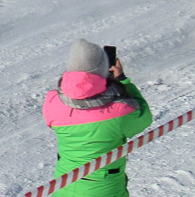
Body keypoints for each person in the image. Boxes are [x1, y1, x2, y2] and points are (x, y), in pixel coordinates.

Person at [42, 39, 153, 196]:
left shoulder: (52, 101)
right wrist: (123, 81)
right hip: (104, 189)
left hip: (64, 185)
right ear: (104, 71)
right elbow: (144, 118)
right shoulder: (121, 110)